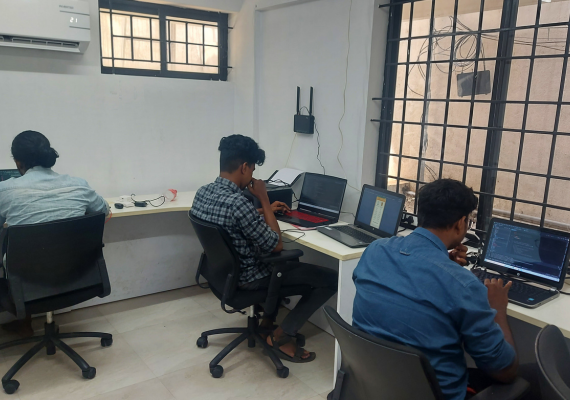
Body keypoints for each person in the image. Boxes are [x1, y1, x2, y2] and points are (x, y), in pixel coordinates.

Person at [352, 179, 518, 400]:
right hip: (435, 394)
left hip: (376, 385)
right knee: (529, 377)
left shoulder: (375, 250)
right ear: (461, 223)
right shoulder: (464, 285)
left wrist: (442, 263)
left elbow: (398, 295)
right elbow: (504, 371)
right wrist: (497, 309)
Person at [192, 134, 338, 363]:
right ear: (244, 167)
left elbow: (232, 218)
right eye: (252, 169)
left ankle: (267, 322)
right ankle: (281, 335)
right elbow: (276, 244)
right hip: (248, 279)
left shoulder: (203, 192)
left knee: (291, 263)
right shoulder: (238, 203)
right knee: (330, 279)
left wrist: (264, 210)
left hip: (220, 275)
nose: (252, 175)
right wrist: (264, 198)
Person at [0, 131, 109, 336]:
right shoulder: (79, 185)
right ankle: (26, 324)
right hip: (78, 277)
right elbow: (104, 211)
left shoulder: (4, 190)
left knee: (21, 256)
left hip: (27, 284)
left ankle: (24, 323)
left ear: (17, 162)